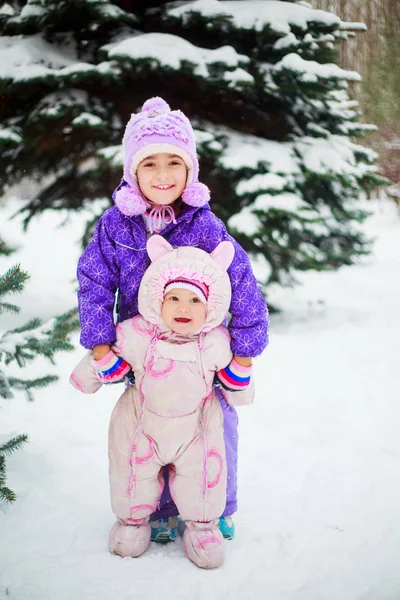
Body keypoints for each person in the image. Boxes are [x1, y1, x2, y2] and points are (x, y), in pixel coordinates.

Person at [76, 96, 269, 543]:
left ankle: (219, 504)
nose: (162, 176)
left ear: (190, 171)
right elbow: (94, 280)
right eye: (150, 165)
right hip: (143, 353)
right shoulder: (115, 227)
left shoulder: (204, 225)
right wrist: (101, 344)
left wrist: (244, 353)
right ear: (132, 171)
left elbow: (241, 283)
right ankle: (161, 508)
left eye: (173, 163)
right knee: (151, 429)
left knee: (216, 429)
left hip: (202, 355)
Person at [70, 236, 254, 568]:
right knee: (132, 474)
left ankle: (202, 529)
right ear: (159, 298)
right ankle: (131, 523)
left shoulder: (214, 342)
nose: (183, 308)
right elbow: (110, 351)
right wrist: (92, 374)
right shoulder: (138, 333)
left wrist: (241, 376)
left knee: (202, 475)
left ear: (211, 306)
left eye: (195, 301)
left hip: (195, 429)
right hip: (143, 425)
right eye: (174, 298)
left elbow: (235, 379)